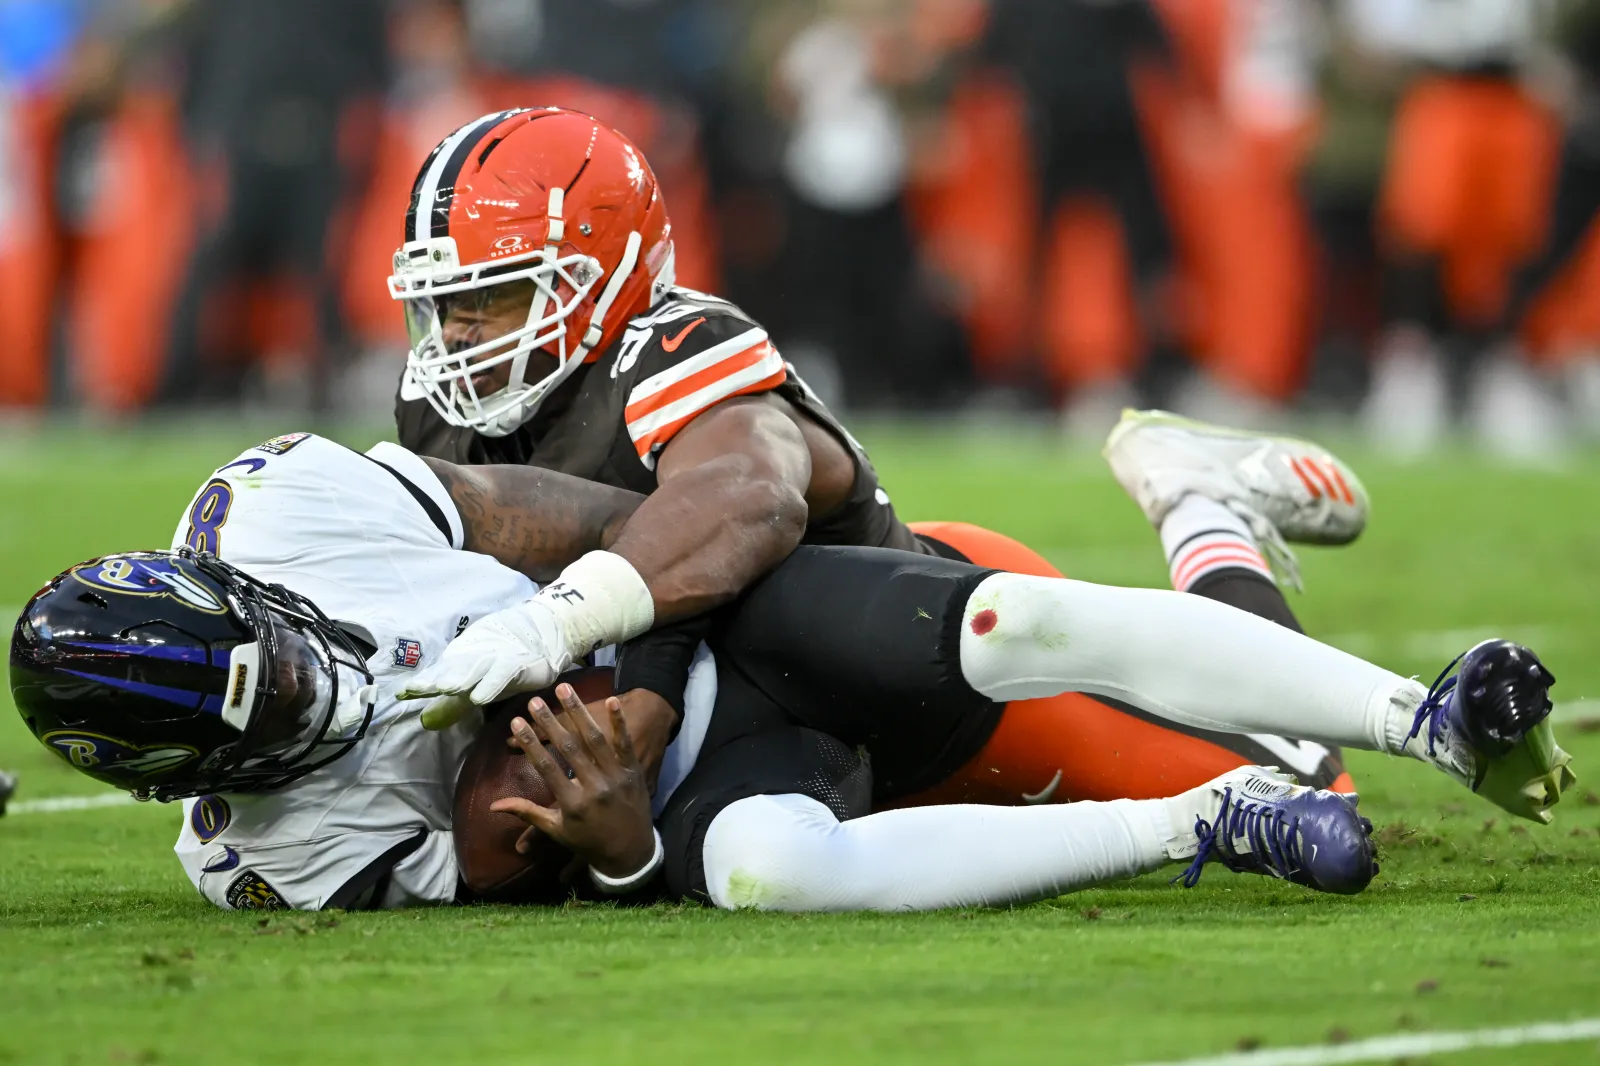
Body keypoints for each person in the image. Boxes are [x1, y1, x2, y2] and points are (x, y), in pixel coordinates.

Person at [9, 430, 1570, 910]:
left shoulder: (297, 506)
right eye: (268, 732)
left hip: (737, 603)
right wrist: (616, 847)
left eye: (275, 665)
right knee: (756, 866)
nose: (312, 699)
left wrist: (605, 638)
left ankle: (1416, 703)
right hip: (706, 764)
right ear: (191, 789)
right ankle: (1207, 810)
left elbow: (686, 510)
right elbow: (508, 860)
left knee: (1010, 625)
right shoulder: (272, 860)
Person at [389, 106, 1356, 798]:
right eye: (446, 303)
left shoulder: (677, 348)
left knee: (1307, 780)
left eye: (501, 296)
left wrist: (568, 628)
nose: (463, 333)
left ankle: (1199, 505)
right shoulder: (436, 407)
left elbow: (746, 502)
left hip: (946, 659)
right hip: (782, 722)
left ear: (604, 280)